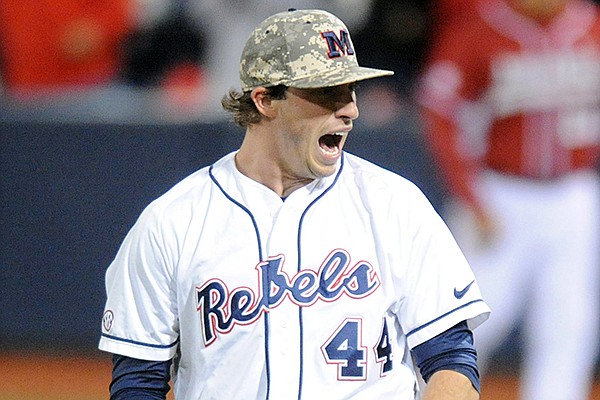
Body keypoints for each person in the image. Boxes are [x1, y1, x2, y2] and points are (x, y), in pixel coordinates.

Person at [98, 9, 490, 399]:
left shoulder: (395, 206)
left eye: (350, 90)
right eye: (327, 92)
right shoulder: (173, 222)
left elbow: (452, 360)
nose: (350, 109)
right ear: (265, 100)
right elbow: (138, 384)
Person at [417, 0, 600, 399]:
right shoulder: (480, 27)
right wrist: (470, 196)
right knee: (466, 320)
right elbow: (440, 110)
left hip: (575, 193)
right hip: (500, 192)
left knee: (570, 326)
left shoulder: (590, 24)